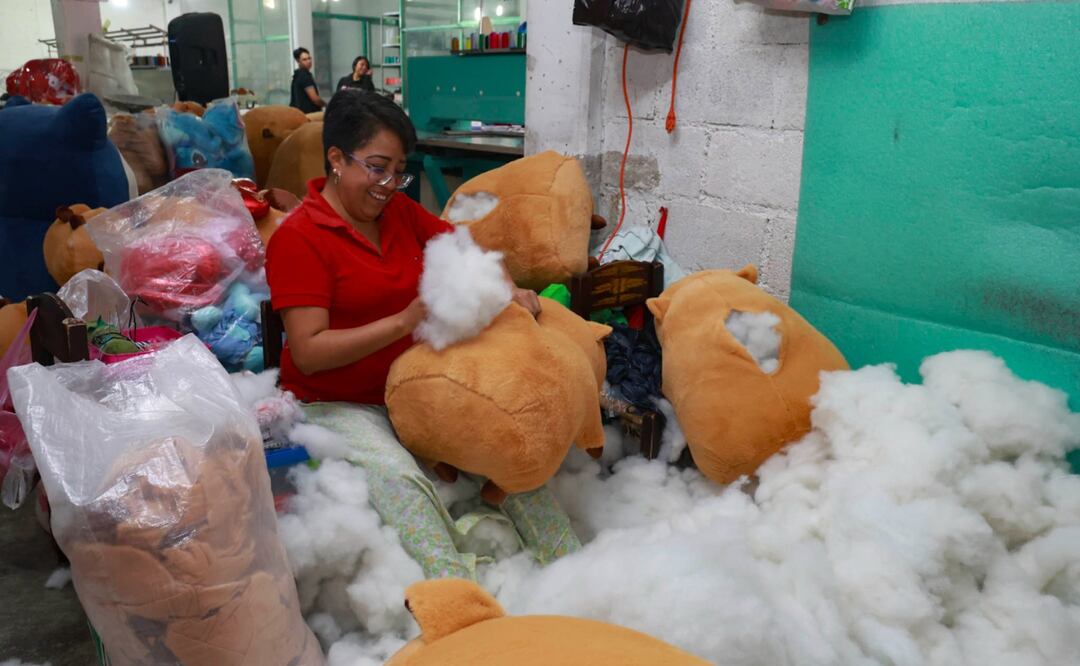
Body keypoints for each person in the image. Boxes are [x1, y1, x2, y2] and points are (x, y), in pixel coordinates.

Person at [265, 89, 581, 580]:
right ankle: (460, 599)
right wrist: (402, 322)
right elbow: (309, 353)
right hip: (338, 404)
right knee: (402, 484)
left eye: (398, 170)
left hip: (421, 389)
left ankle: (572, 570)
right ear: (335, 159)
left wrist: (510, 288)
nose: (389, 184)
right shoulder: (299, 238)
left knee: (505, 449)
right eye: (376, 167)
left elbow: (464, 247)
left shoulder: (399, 214)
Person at [289, 47, 324, 113]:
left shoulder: (297, 75)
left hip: (299, 113)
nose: (308, 61)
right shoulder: (304, 76)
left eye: (309, 58)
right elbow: (315, 99)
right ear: (298, 61)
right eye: (304, 59)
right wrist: (327, 105)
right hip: (309, 115)